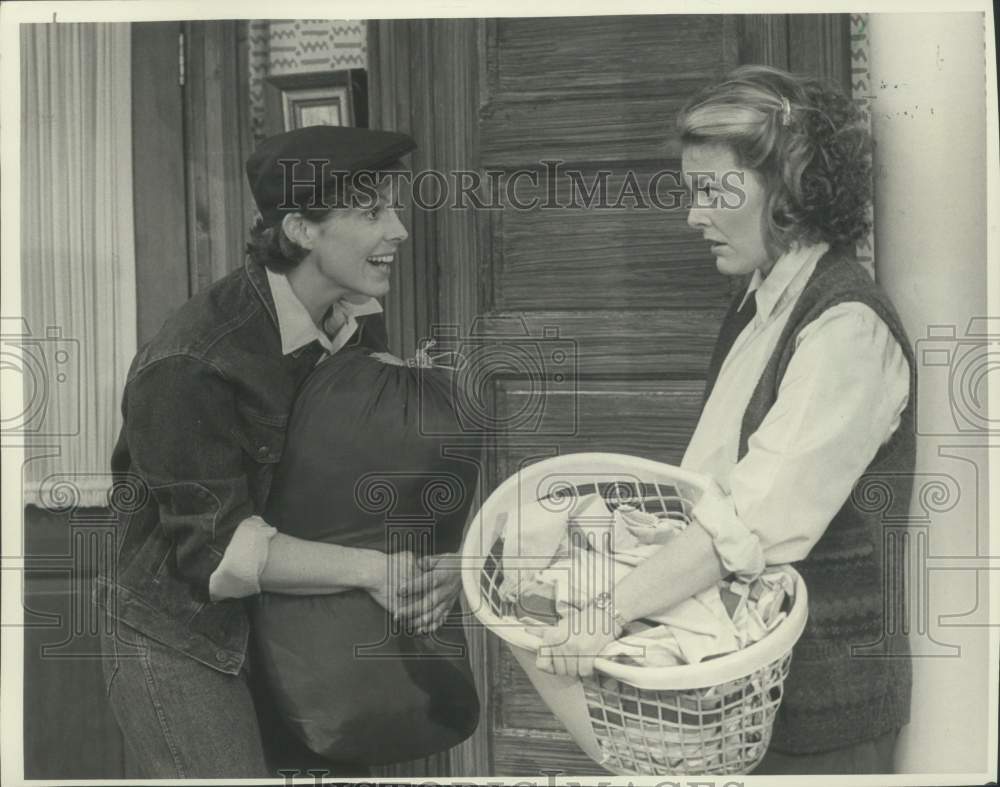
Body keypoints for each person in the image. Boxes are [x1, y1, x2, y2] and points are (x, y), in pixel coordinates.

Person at [534, 65, 915, 775]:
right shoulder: (756, 306)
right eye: (692, 191)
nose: (693, 215)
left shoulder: (846, 328)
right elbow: (708, 488)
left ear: (789, 185)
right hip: (741, 699)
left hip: (820, 716)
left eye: (715, 190)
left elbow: (745, 523)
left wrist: (604, 612)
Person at [95, 126, 463, 778]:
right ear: (300, 229)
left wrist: (442, 564)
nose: (400, 229)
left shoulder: (355, 321)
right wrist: (378, 571)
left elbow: (363, 479)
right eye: (372, 211)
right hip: (183, 636)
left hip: (289, 620)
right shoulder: (193, 360)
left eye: (393, 207)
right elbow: (220, 554)